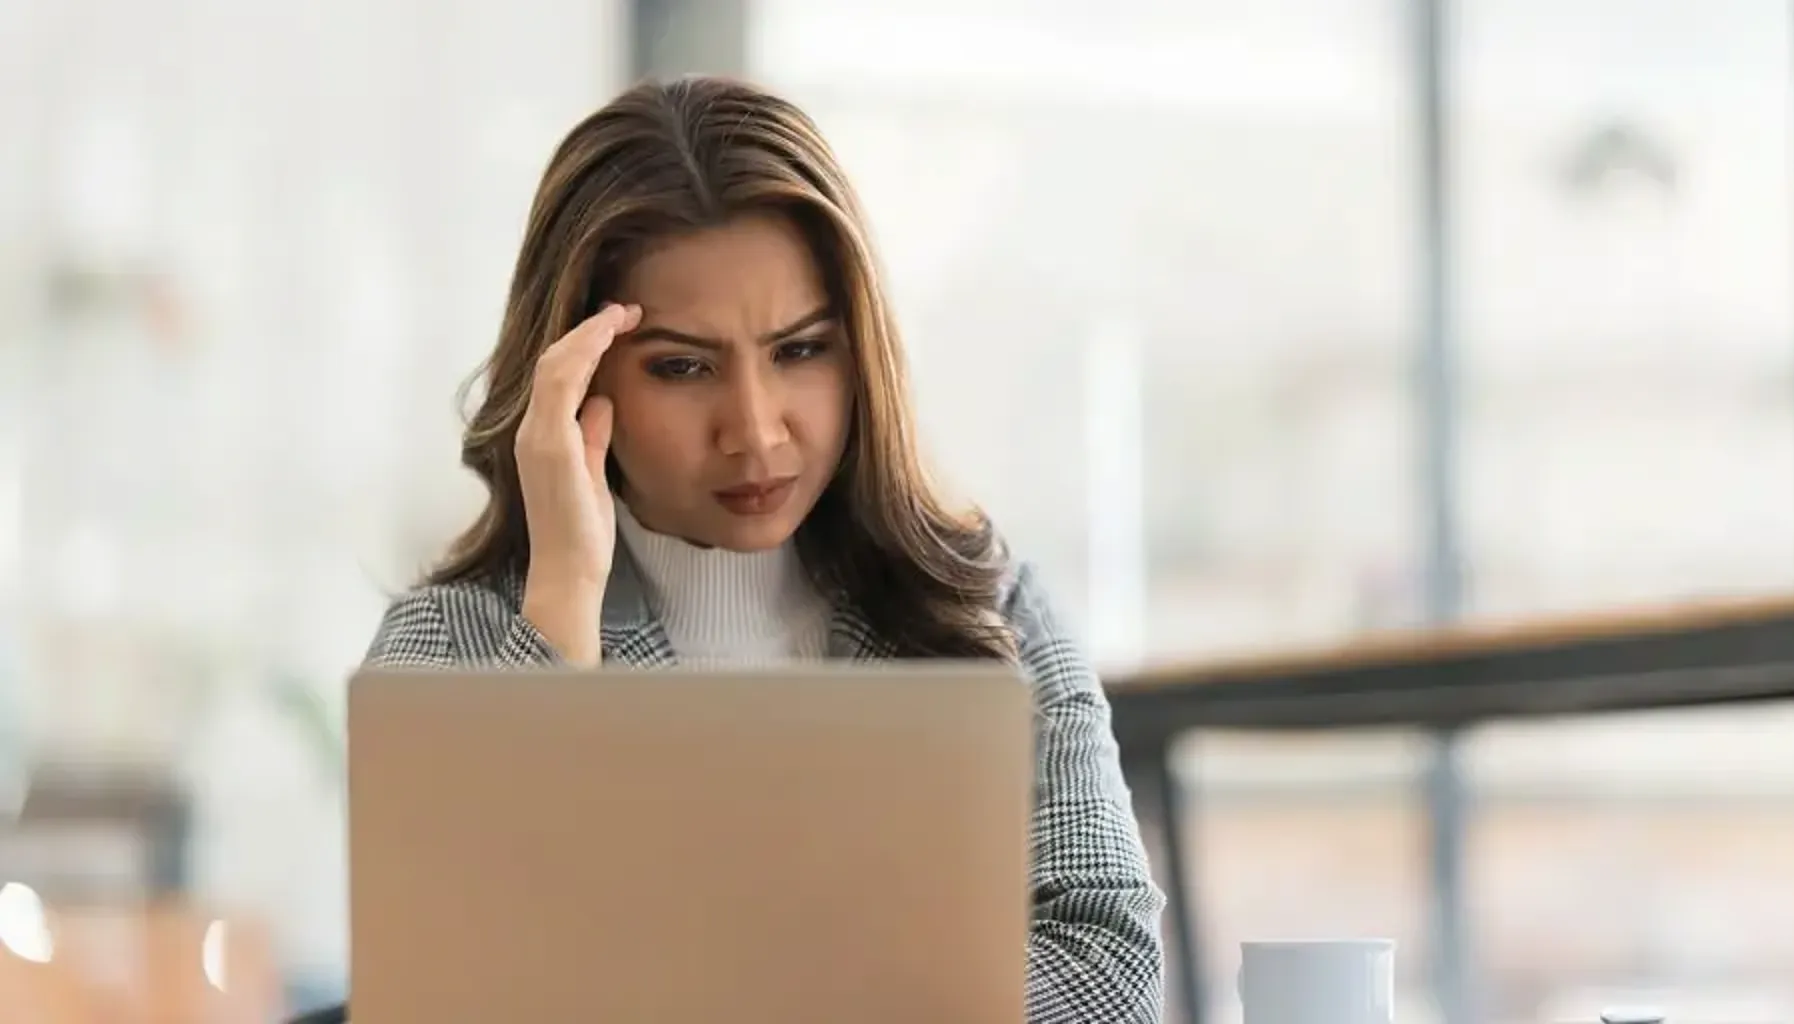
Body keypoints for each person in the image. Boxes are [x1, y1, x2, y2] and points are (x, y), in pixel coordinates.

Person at [304, 76, 1166, 1024]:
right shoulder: (452, 645)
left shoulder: (985, 603)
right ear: (574, 380)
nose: (756, 433)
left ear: (861, 352)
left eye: (800, 350)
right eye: (682, 367)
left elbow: (1109, 971)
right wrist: (563, 602)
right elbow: (455, 993)